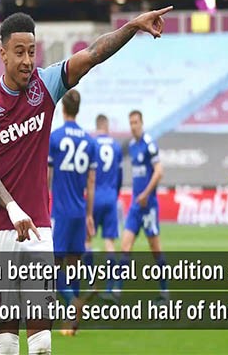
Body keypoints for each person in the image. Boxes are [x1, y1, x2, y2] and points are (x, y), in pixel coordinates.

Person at [0, 6, 172, 355]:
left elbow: (92, 54)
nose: (27, 61)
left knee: (42, 344)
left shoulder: (46, 85)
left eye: (32, 52)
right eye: (19, 52)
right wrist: (13, 207)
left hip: (38, 228)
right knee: (6, 346)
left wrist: (132, 26)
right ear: (3, 54)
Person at [47, 89, 96, 336]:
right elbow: (91, 182)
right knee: (74, 265)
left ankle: (71, 301)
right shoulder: (89, 141)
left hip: (61, 211)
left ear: (63, 108)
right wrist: (89, 215)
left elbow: (48, 176)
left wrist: (43, 203)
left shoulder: (55, 138)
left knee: (51, 266)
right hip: (79, 210)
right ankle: (72, 323)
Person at [117, 110, 167, 301]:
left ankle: (164, 292)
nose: (133, 126)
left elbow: (159, 172)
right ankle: (117, 292)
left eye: (136, 122)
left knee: (155, 250)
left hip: (149, 206)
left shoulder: (149, 144)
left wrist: (146, 194)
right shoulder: (132, 146)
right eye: (131, 123)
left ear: (142, 123)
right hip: (135, 205)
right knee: (125, 245)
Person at [90, 114, 123, 300]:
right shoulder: (116, 146)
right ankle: (111, 288)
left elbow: (88, 173)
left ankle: (91, 284)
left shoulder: (92, 144)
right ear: (107, 126)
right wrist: (114, 194)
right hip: (110, 197)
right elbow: (120, 176)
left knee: (87, 240)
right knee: (109, 243)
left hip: (94, 197)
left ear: (97, 126)